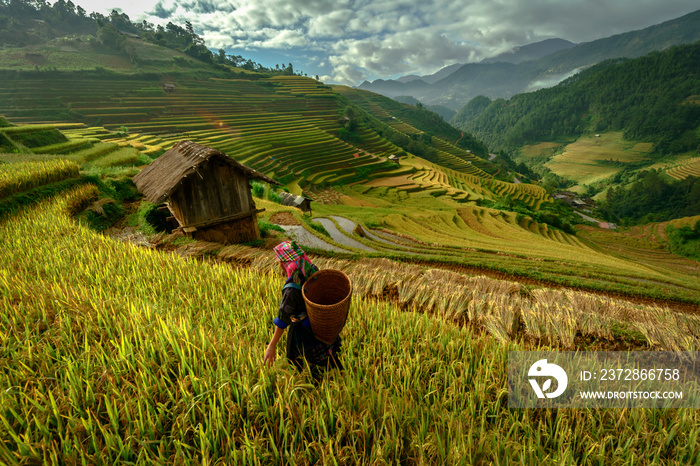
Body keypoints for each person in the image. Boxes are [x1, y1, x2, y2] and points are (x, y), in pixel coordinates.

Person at [263, 241, 343, 376]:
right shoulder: (313, 272)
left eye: (281, 263)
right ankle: (338, 375)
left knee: (299, 360)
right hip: (319, 324)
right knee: (327, 355)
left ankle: (312, 383)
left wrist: (271, 347)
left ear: (285, 264)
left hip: (302, 330)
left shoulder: (292, 289)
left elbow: (283, 319)